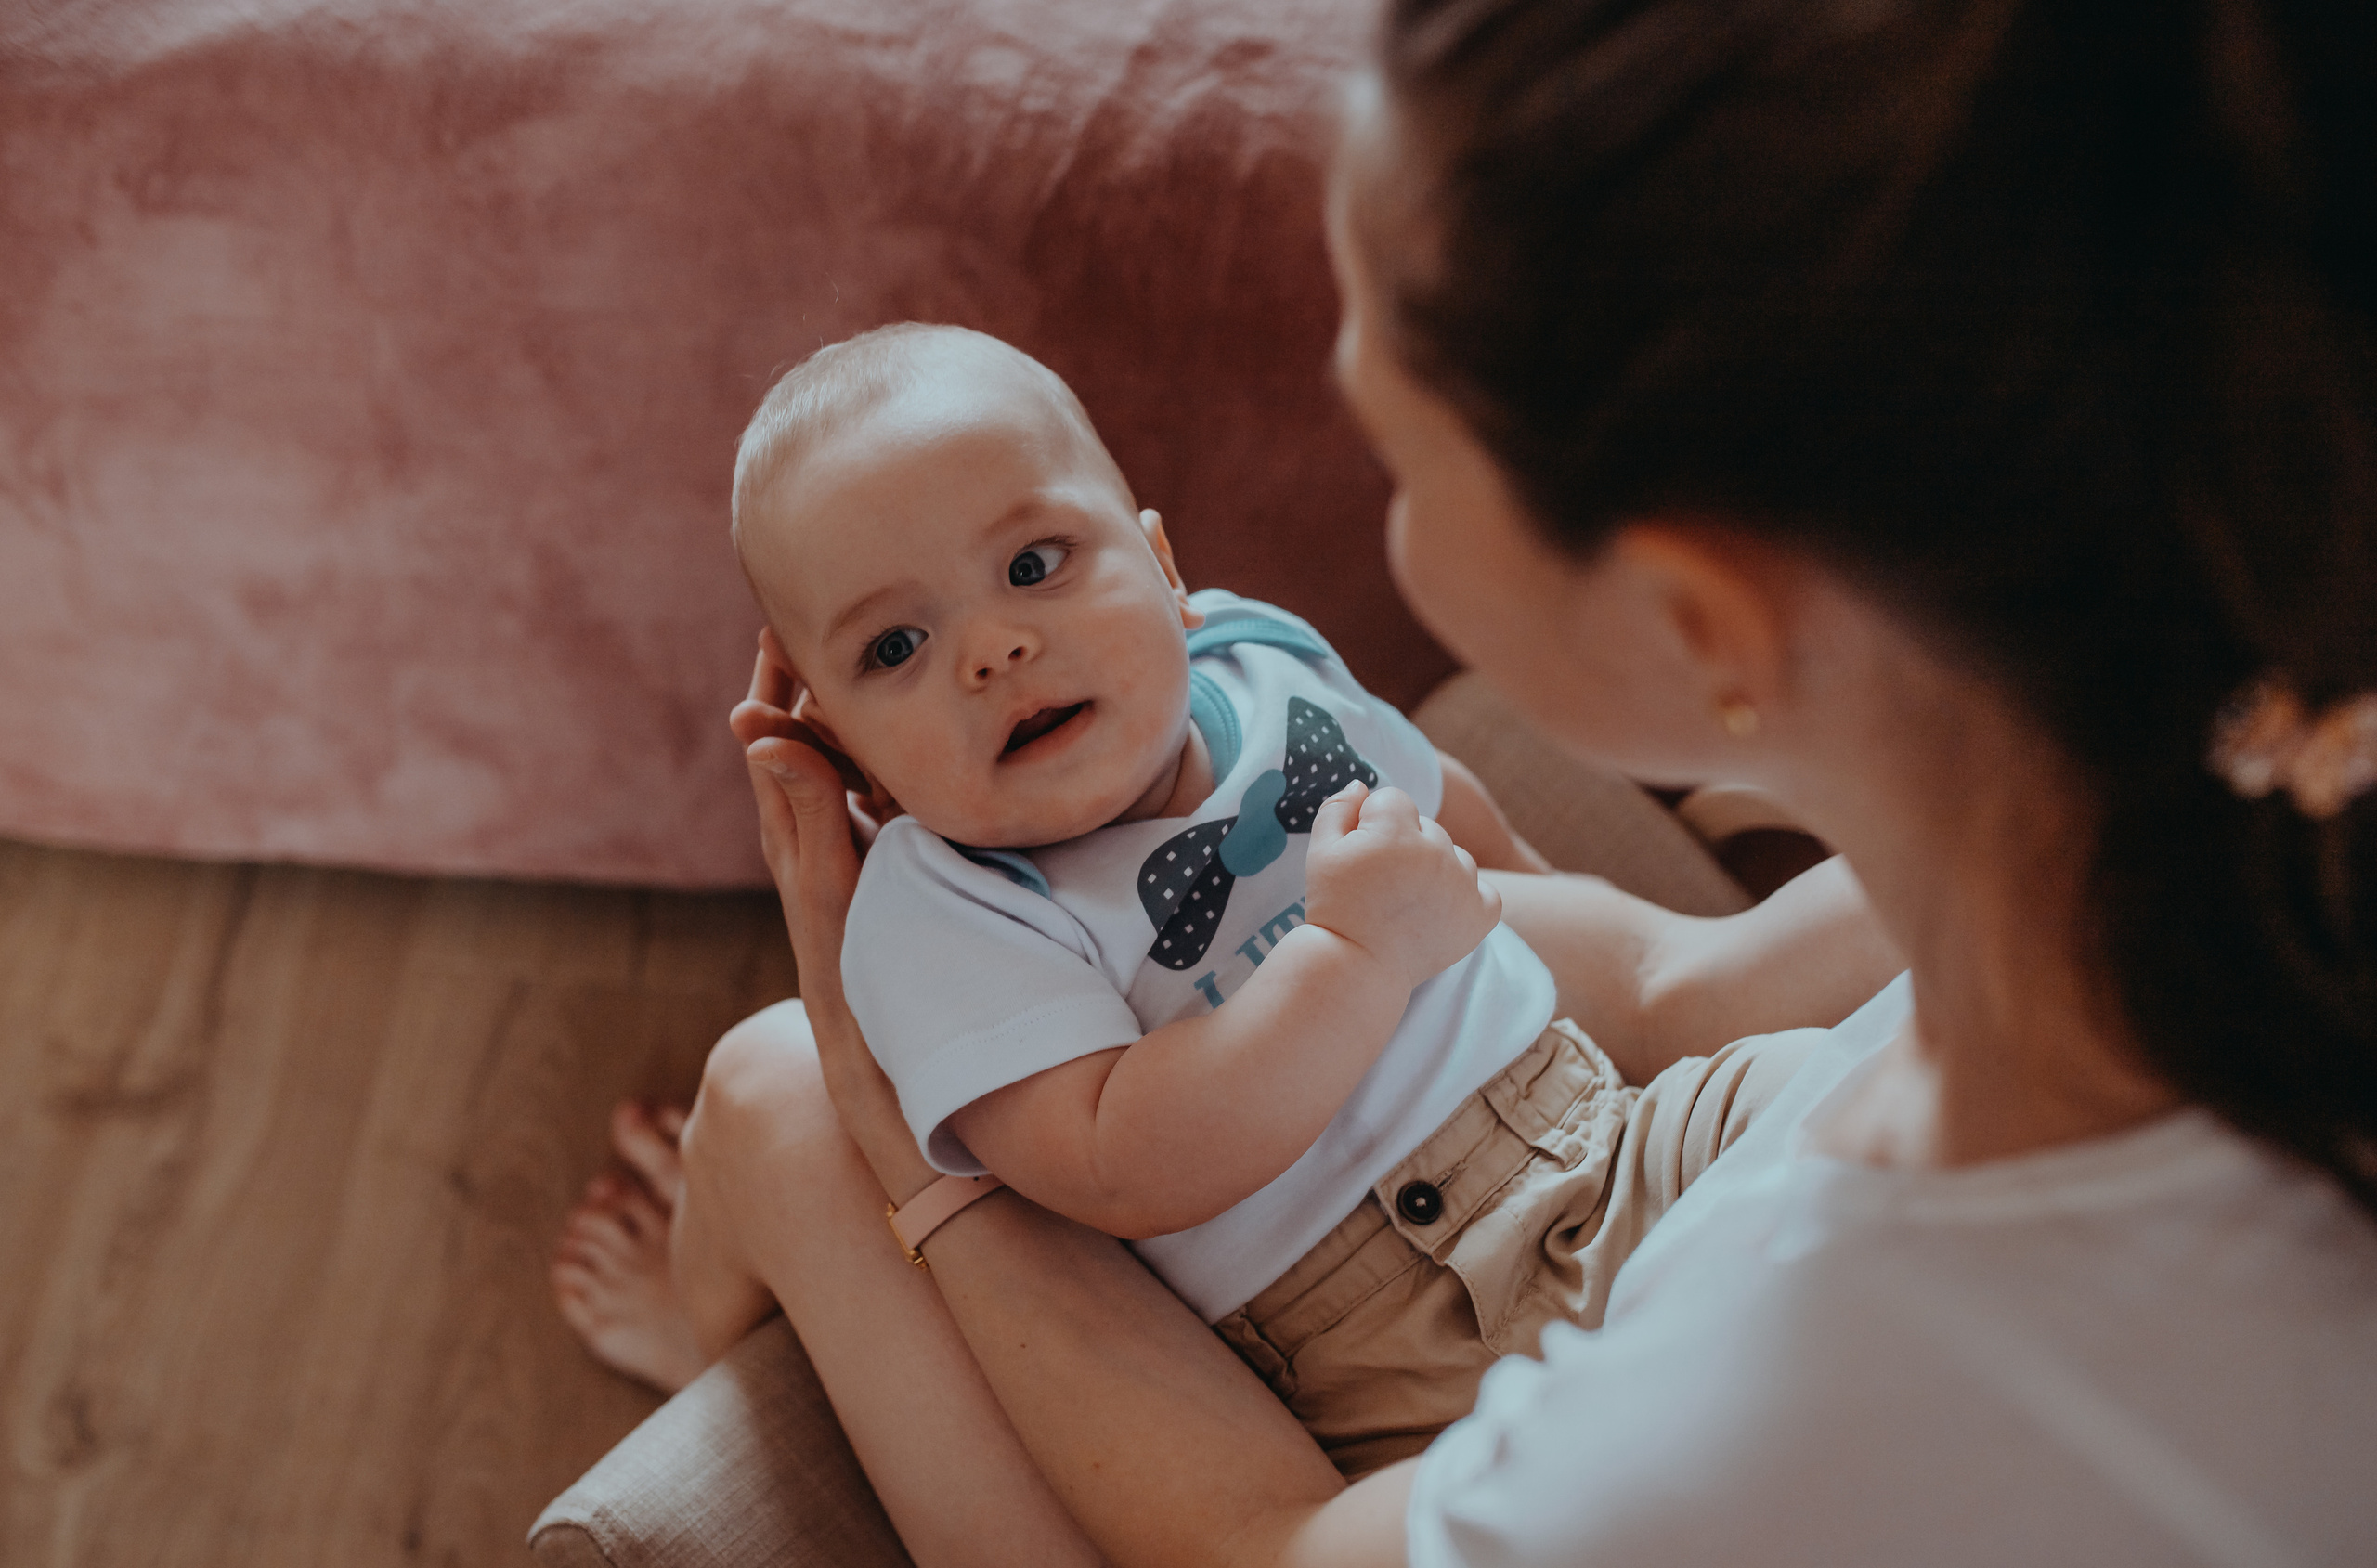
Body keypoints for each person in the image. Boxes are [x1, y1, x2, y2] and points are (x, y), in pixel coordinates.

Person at [558, 0, 2377, 1562]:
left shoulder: (1745, 1399)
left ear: (1696, 616)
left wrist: (894, 1121)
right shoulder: (2212, 866)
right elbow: (1635, 963)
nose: (997, 647)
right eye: (894, 646)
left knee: (775, 1090)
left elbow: (1265, 1544)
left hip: (1435, 1352)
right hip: (1518, 1174)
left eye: (1402, 459)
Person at [639, 320, 1897, 1476]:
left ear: (1163, 565)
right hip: (1382, 1337)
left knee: (1853, 1106)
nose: (991, 648)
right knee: (1601, 1485)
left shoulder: (1256, 654)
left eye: (1033, 562)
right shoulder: (940, 914)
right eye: (894, 648)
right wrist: (1353, 958)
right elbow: (1114, 1160)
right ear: (848, 754)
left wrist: (1527, 891)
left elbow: (1428, 796)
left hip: (1604, 1131)